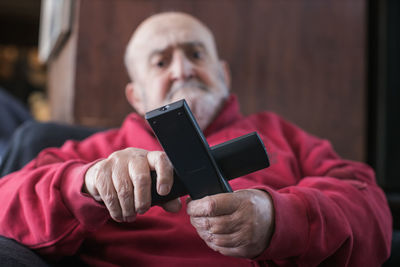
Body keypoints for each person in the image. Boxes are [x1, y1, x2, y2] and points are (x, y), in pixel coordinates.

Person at [0, 12, 392, 266]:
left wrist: (279, 218)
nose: (182, 69)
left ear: (223, 73)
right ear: (136, 96)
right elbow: (7, 204)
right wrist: (85, 183)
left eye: (195, 54)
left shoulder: (284, 136)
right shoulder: (96, 152)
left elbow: (369, 208)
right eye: (160, 62)